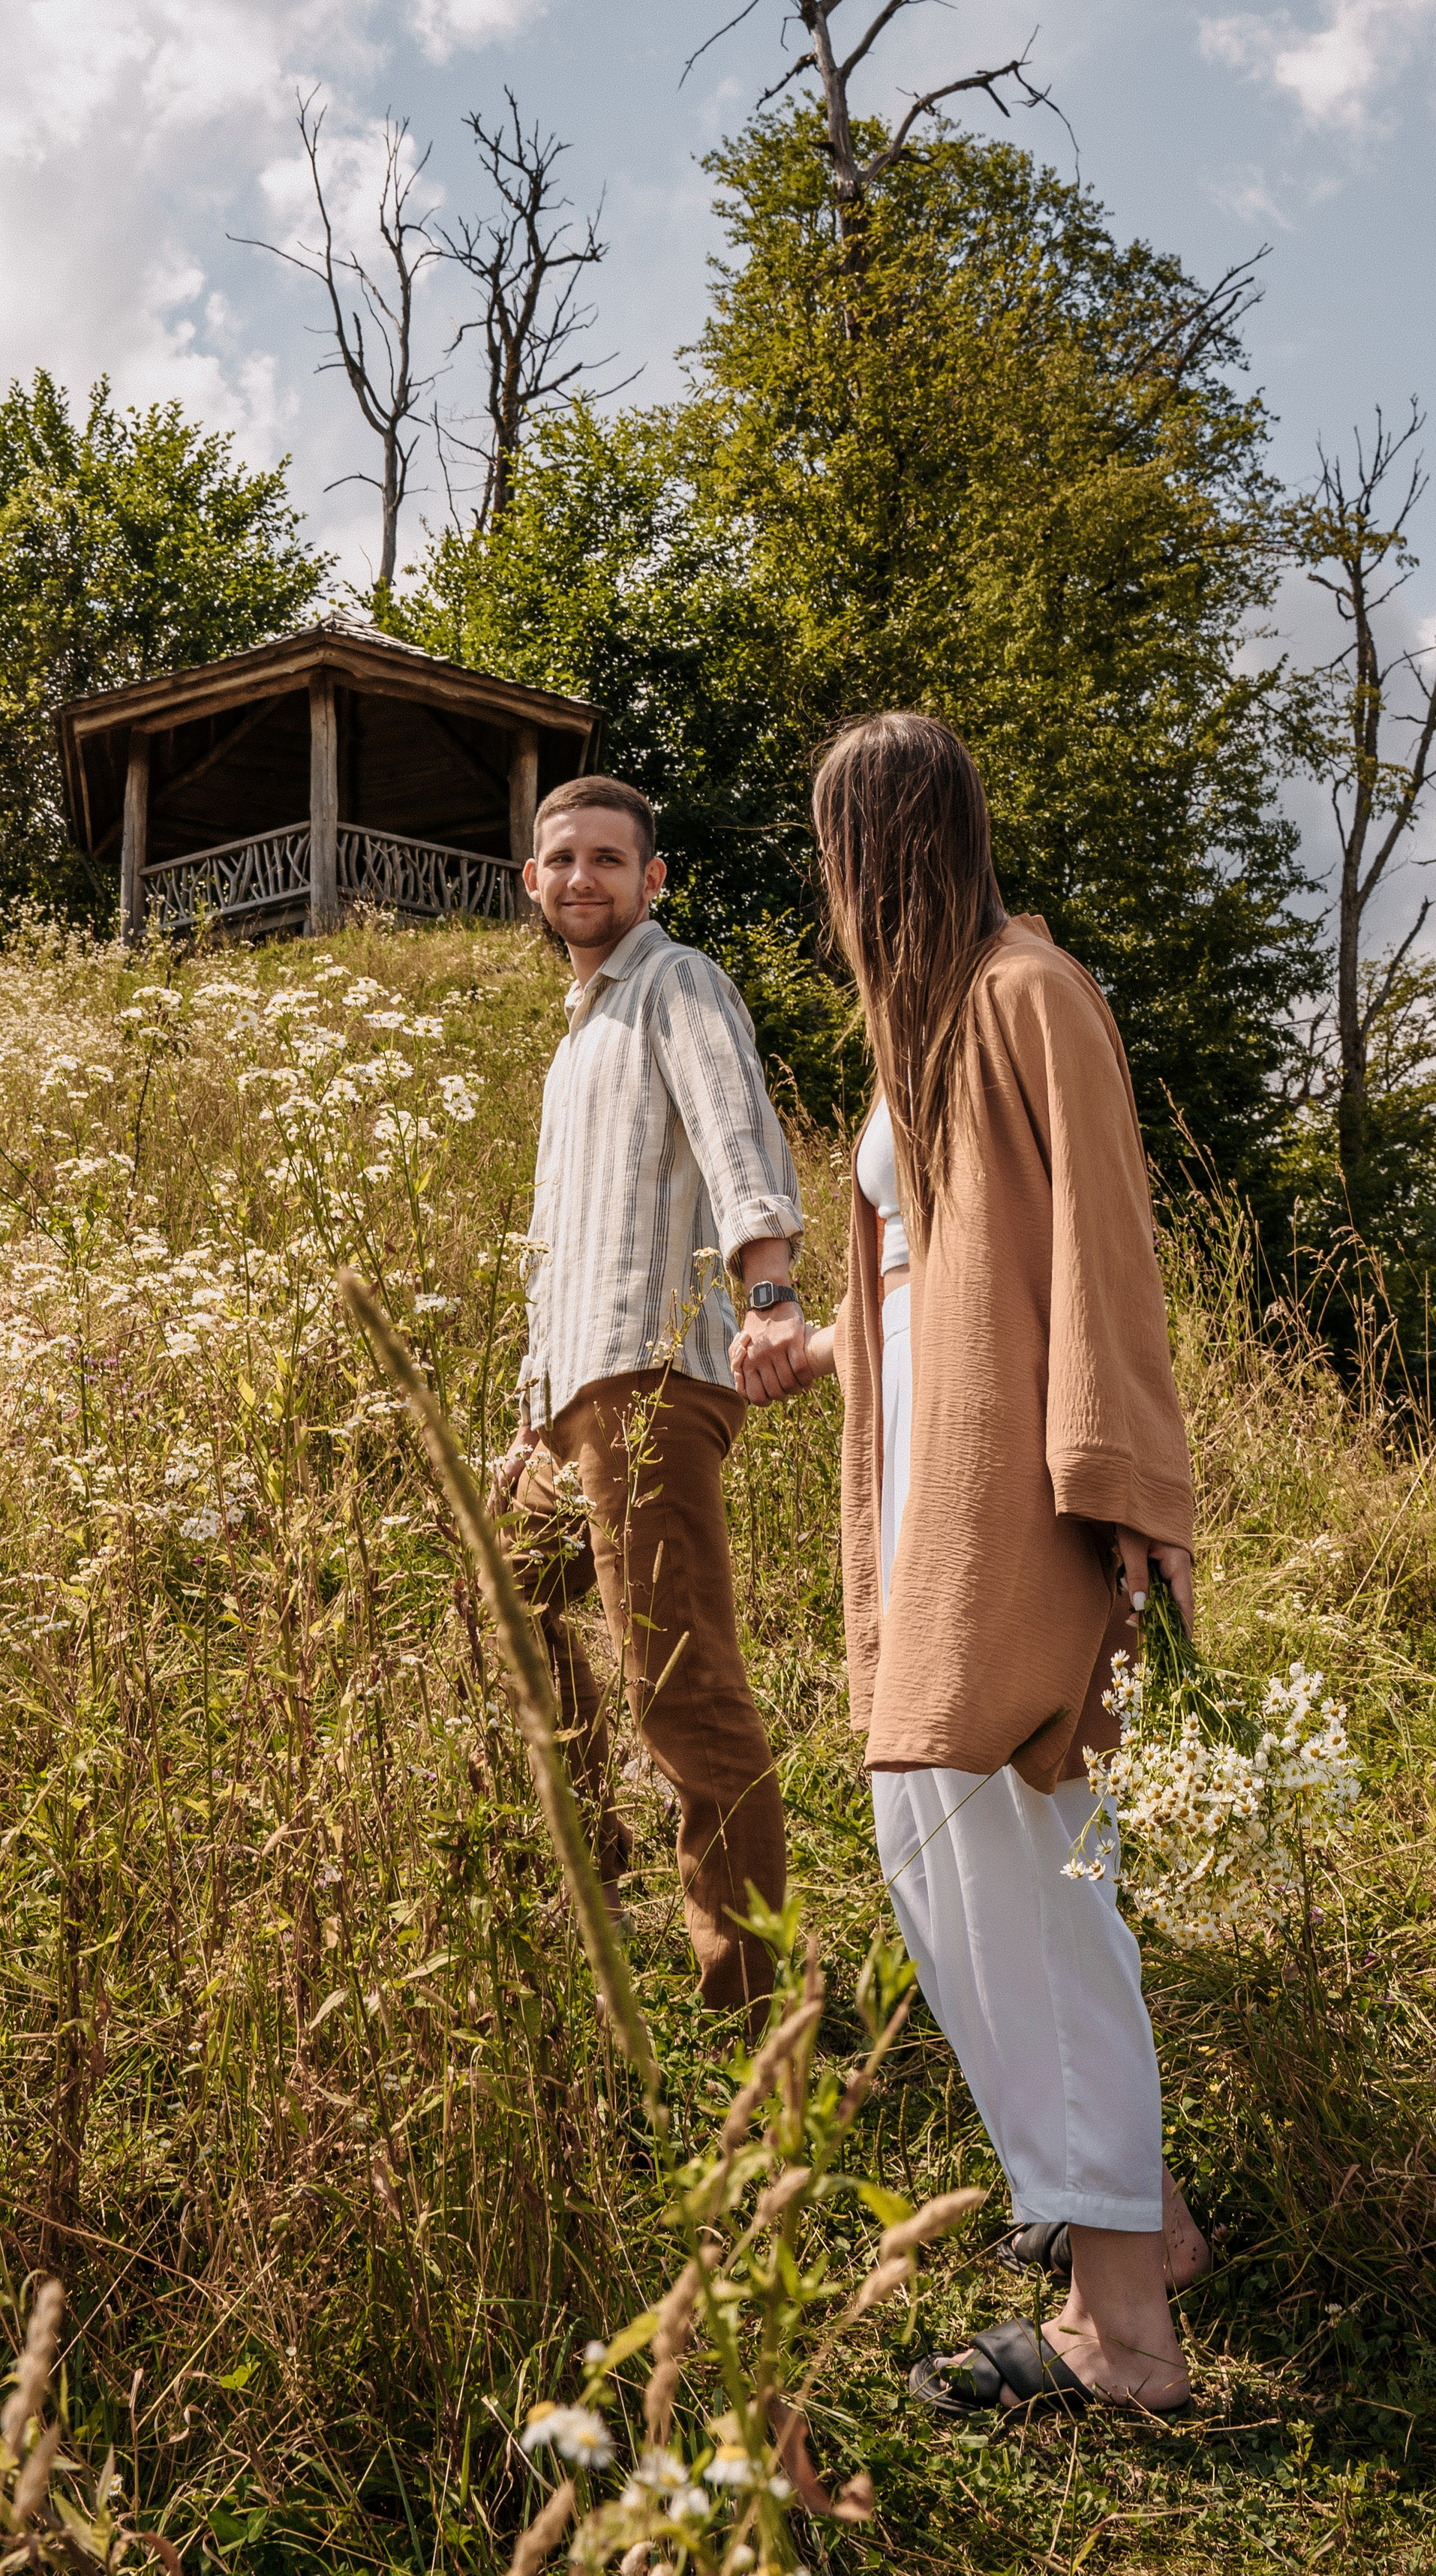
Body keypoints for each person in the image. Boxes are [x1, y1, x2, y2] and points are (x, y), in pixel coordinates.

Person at [735, 710, 1208, 2417]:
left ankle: (1121, 2333)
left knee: (1014, 1858)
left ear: (884, 843)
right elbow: (925, 1286)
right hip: (927, 1484)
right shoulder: (928, 1027)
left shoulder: (1026, 990)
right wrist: (817, 1354)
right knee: (939, 1844)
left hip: (1018, 1490)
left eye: (835, 848)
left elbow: (1101, 1243)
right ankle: (1138, 2223)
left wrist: (1125, 1484)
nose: (830, 885)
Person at [495, 775, 811, 2013]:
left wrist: (770, 1293)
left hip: (654, 1376)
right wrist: (531, 1412)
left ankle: (752, 2003)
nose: (585, 878)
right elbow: (555, 1244)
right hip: (575, 1393)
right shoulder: (577, 1037)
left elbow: (740, 1137)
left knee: (681, 1688)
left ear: (652, 879)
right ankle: (599, 1867)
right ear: (533, 879)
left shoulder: (677, 982)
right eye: (564, 859)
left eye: (611, 860)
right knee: (502, 1599)